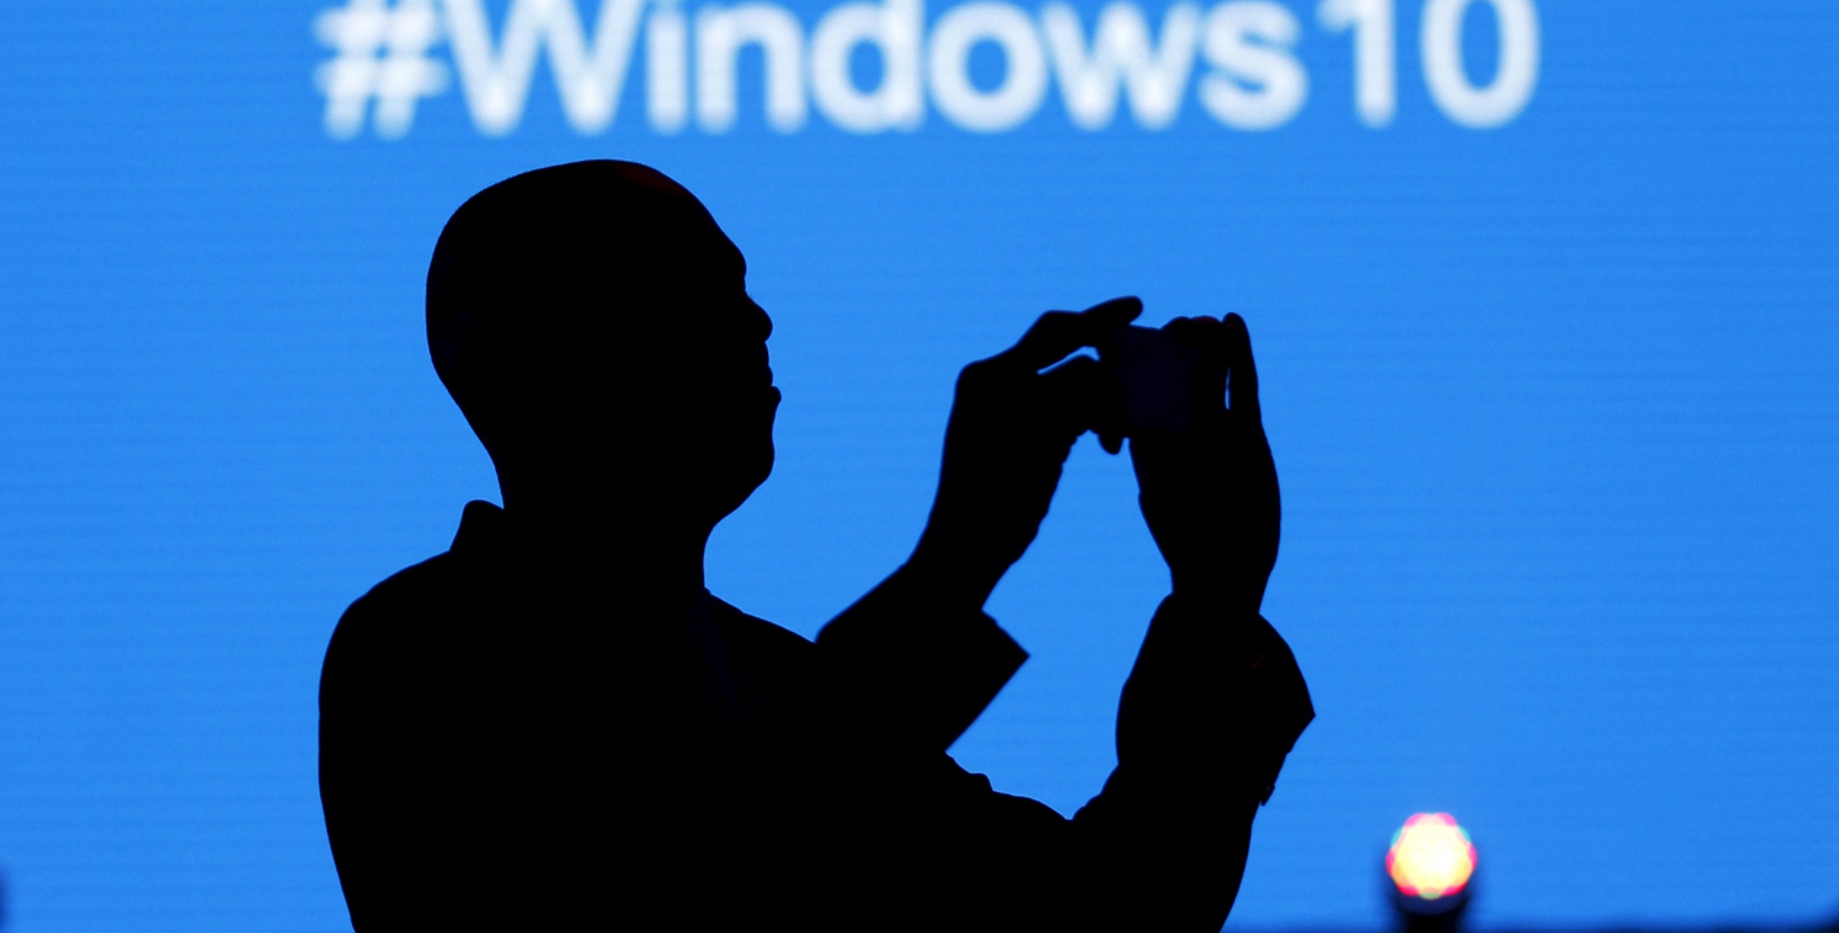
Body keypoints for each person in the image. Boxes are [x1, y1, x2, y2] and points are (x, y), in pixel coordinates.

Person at [317, 160, 1313, 932]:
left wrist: (1204, 598)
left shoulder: (775, 678)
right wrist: (971, 554)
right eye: (691, 289)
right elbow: (742, 856)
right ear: (539, 357)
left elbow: (1091, 911)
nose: (756, 319)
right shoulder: (420, 654)